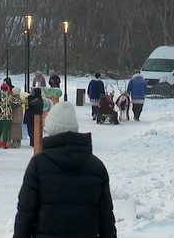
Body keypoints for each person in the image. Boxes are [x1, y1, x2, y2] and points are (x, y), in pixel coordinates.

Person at [13, 102, 116, 238]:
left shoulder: (38, 164)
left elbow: (25, 215)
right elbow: (106, 219)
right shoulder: (96, 167)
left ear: (51, 129)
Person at [0, 83, 22, 149]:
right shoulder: (9, 97)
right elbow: (18, 102)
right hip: (7, 116)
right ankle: (4, 144)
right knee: (5, 130)